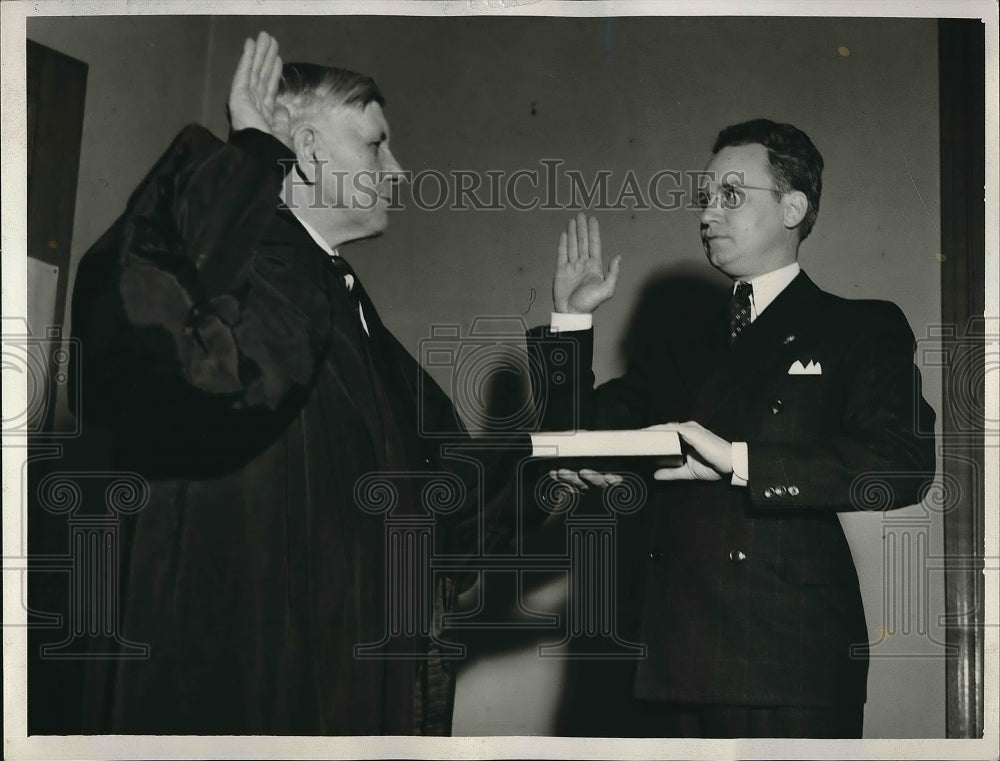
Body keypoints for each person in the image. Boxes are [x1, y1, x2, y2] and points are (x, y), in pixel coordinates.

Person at [69, 32, 527, 735]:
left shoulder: (337, 299)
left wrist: (559, 446)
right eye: (377, 144)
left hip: (350, 681)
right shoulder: (252, 274)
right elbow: (175, 352)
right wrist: (248, 155)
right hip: (249, 685)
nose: (399, 169)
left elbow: (443, 497)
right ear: (308, 150)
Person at [529, 119, 937, 738]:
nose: (707, 214)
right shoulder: (678, 344)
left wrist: (742, 461)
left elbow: (904, 461)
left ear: (793, 206)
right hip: (671, 660)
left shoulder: (860, 327)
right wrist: (570, 322)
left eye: (730, 195)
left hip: (789, 662)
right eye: (704, 198)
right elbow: (570, 437)